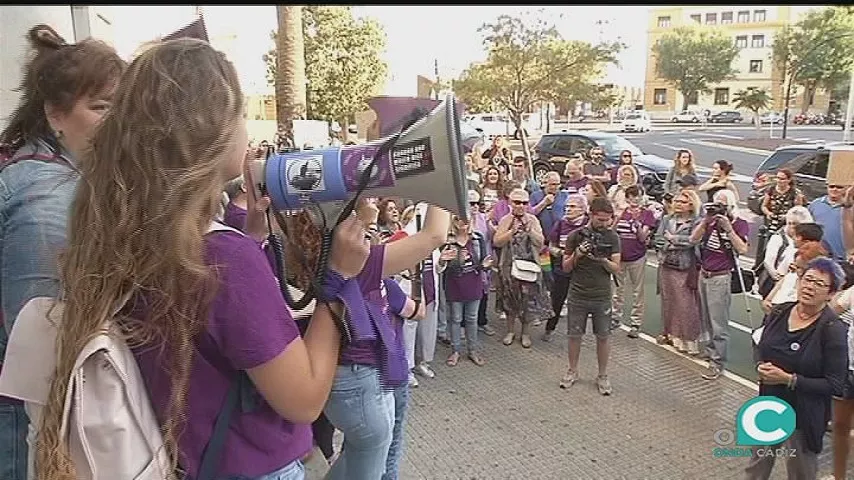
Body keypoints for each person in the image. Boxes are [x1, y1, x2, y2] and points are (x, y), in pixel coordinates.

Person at [17, 39, 371, 480]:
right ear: (213, 130)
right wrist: (339, 277)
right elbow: (304, 399)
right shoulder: (224, 258)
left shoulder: (127, 233)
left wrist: (253, 241)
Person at [0, 24, 125, 480]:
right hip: (23, 418)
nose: (115, 121)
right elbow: (40, 340)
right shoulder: (48, 196)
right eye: (100, 107)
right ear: (55, 113)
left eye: (120, 108)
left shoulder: (51, 176)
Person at [324, 200, 450, 480]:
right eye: (368, 232)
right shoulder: (362, 263)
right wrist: (442, 185)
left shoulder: (317, 259)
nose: (374, 239)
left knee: (354, 458)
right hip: (365, 381)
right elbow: (435, 235)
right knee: (378, 462)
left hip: (337, 379)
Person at [746, 257, 848, 480]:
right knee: (756, 467)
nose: (810, 287)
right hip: (769, 403)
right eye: (807, 279)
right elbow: (761, 344)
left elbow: (835, 384)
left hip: (805, 413)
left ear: (831, 294)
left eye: (819, 284)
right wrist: (760, 366)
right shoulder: (779, 312)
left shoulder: (832, 329)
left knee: (801, 471)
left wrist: (788, 379)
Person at [560, 197, 622, 395]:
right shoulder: (575, 236)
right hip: (578, 293)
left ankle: (602, 375)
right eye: (600, 220)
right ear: (591, 215)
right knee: (574, 335)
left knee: (603, 336)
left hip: (601, 295)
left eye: (607, 220)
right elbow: (566, 266)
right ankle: (572, 370)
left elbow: (616, 268)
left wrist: (602, 259)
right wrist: (578, 253)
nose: (604, 224)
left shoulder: (613, 238)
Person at [690, 189, 749, 380]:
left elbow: (742, 248)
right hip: (704, 274)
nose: (718, 209)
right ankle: (709, 352)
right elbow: (693, 239)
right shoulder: (710, 222)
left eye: (721, 205)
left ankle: (718, 362)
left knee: (718, 323)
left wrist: (729, 229)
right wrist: (706, 221)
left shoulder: (739, 224)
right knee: (706, 318)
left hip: (721, 277)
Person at [493, 188, 551, 348]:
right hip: (509, 265)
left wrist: (530, 230)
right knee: (509, 300)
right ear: (511, 203)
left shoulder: (532, 219)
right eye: (517, 202)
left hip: (529, 265)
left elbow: (541, 242)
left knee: (528, 301)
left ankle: (525, 333)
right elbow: (497, 241)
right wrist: (511, 231)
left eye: (524, 203)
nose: (520, 206)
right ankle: (510, 331)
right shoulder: (505, 219)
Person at [438, 215, 490, 366]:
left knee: (472, 318)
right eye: (459, 219)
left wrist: (484, 265)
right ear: (454, 222)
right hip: (454, 284)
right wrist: (443, 260)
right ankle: (455, 351)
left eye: (466, 220)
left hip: (473, 283)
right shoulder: (447, 241)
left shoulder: (477, 239)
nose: (463, 223)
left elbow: (482, 262)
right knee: (455, 318)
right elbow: (442, 266)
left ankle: (472, 350)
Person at [655, 189, 703, 354]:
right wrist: (670, 244)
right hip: (666, 265)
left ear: (691, 205)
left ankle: (689, 340)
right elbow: (658, 239)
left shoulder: (697, 222)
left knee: (686, 305)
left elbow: (693, 241)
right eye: (676, 201)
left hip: (685, 267)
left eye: (682, 202)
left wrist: (673, 239)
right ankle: (673, 336)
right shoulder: (667, 219)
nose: (677, 204)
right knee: (669, 302)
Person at [542, 194, 589, 342]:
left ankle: (576, 332)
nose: (568, 209)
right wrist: (562, 253)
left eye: (572, 206)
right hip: (562, 267)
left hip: (582, 269)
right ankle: (549, 328)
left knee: (579, 302)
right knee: (557, 299)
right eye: (567, 206)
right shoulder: (560, 224)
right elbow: (550, 246)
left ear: (582, 209)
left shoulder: (588, 224)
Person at [612, 186, 656, 338]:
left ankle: (635, 323)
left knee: (638, 292)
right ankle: (615, 317)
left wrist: (636, 222)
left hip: (637, 256)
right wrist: (618, 217)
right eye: (631, 197)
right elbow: (611, 231)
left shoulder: (647, 214)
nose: (634, 200)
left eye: (637, 197)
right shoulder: (622, 212)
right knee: (618, 289)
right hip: (620, 256)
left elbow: (643, 237)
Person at [757, 207, 813, 299]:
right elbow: (768, 262)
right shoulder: (778, 237)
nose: (791, 226)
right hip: (776, 283)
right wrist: (778, 280)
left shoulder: (807, 241)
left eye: (795, 224)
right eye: (789, 223)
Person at [808, 182, 848, 261]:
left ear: (847, 189)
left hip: (841, 258)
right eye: (831, 186)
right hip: (815, 255)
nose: (835, 189)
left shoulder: (850, 208)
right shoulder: (815, 204)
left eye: (839, 187)